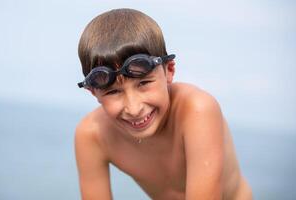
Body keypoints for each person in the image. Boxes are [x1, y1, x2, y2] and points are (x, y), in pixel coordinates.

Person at [75, 8, 252, 200]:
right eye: (113, 92)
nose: (134, 108)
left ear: (169, 70)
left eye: (143, 83)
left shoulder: (197, 110)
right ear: (93, 92)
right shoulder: (92, 135)